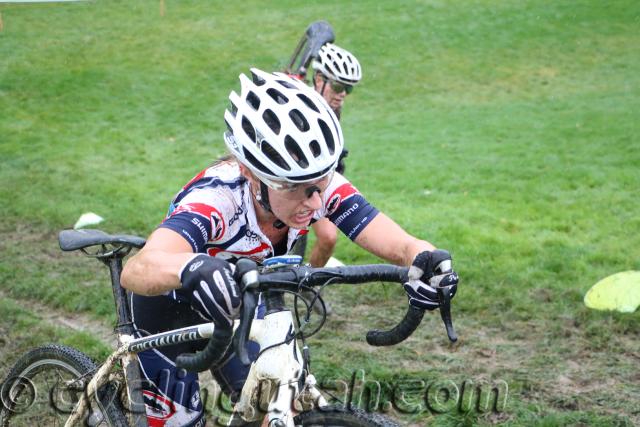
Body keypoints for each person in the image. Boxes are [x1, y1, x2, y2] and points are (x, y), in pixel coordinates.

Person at [120, 68, 458, 426]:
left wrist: (427, 260)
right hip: (169, 316)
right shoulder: (218, 200)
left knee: (280, 410)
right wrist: (190, 268)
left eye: (321, 183)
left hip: (242, 308)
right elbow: (139, 267)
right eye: (298, 189)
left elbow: (400, 243)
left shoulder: (316, 187)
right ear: (252, 175)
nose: (315, 202)